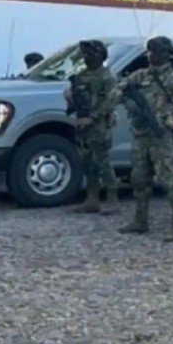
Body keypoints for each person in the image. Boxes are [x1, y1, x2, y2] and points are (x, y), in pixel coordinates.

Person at [102, 36, 173, 242]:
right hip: (141, 136)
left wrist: (169, 120)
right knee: (139, 179)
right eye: (149, 51)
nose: (151, 55)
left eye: (156, 51)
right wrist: (123, 102)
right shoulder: (140, 76)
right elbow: (118, 90)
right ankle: (140, 220)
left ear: (166, 54)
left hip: (163, 137)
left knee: (170, 180)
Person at [63, 40, 119, 215]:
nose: (86, 58)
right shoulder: (81, 76)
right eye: (85, 54)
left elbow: (110, 102)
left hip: (99, 126)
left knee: (104, 164)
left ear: (100, 56)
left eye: (90, 54)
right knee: (88, 164)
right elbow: (78, 102)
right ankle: (92, 200)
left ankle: (112, 201)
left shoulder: (107, 77)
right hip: (82, 125)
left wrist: (93, 117)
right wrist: (70, 99)